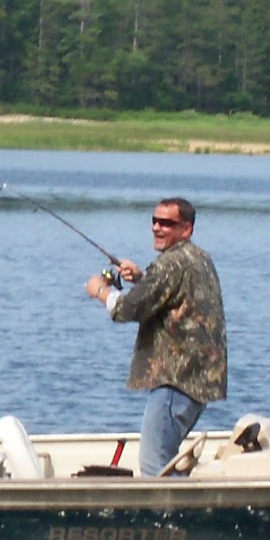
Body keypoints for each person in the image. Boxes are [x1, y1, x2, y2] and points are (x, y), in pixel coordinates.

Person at [84, 197, 227, 476]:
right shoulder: (198, 259)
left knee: (154, 466)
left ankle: (170, 519)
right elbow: (170, 296)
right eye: (154, 221)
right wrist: (140, 278)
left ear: (186, 229)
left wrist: (100, 290)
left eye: (167, 223)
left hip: (175, 381)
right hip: (198, 382)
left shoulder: (169, 265)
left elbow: (127, 309)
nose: (157, 228)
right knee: (164, 461)